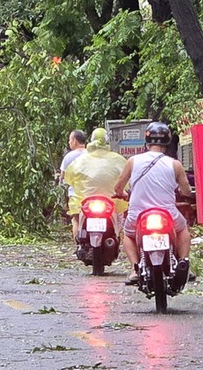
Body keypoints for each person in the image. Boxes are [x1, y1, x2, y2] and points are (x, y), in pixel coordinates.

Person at [115, 121, 190, 282]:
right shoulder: (175, 164)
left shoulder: (133, 161)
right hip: (167, 213)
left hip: (138, 213)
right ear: (167, 141)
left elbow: (118, 186)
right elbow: (186, 191)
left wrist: (122, 194)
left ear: (147, 141)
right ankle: (183, 263)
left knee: (128, 235)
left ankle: (135, 269)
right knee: (183, 229)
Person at [62, 128, 129, 246]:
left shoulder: (81, 160)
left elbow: (68, 178)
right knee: (119, 217)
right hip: (111, 201)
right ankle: (116, 237)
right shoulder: (118, 159)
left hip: (85, 201)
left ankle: (78, 242)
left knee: (76, 218)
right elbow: (126, 178)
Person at [57, 129, 88, 222]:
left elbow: (63, 176)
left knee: (76, 220)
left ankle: (76, 236)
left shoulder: (69, 156)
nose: (69, 142)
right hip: (92, 193)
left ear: (74, 140)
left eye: (70, 139)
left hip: (76, 196)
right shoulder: (91, 154)